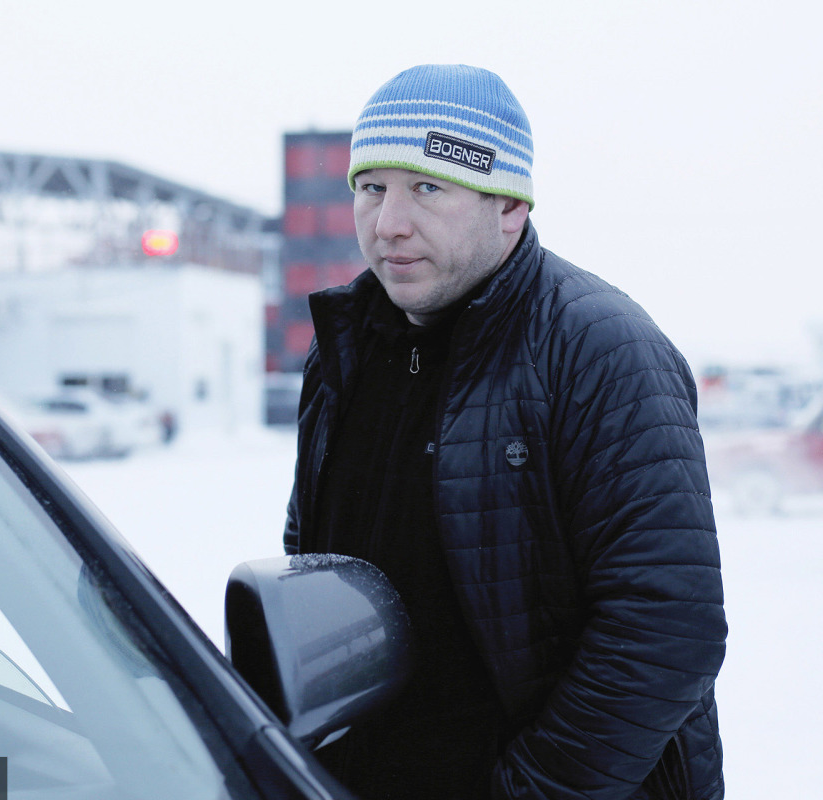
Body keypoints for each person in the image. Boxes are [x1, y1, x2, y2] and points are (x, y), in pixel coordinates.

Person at [283, 64, 726, 799]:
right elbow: (312, 559)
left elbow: (667, 627)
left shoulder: (599, 350)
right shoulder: (345, 347)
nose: (389, 222)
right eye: (373, 188)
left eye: (428, 188)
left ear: (510, 206)